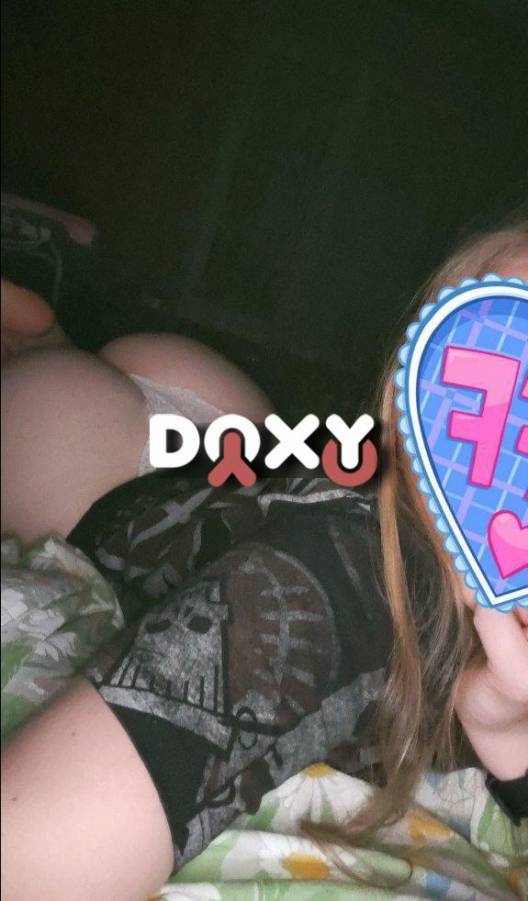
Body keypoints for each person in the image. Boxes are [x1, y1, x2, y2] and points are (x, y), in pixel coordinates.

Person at [1, 223, 527, 901]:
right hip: (99, 463)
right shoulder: (354, 582)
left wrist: (506, 734)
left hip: (248, 447)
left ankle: (48, 343)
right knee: (38, 379)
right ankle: (43, 351)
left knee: (62, 366)